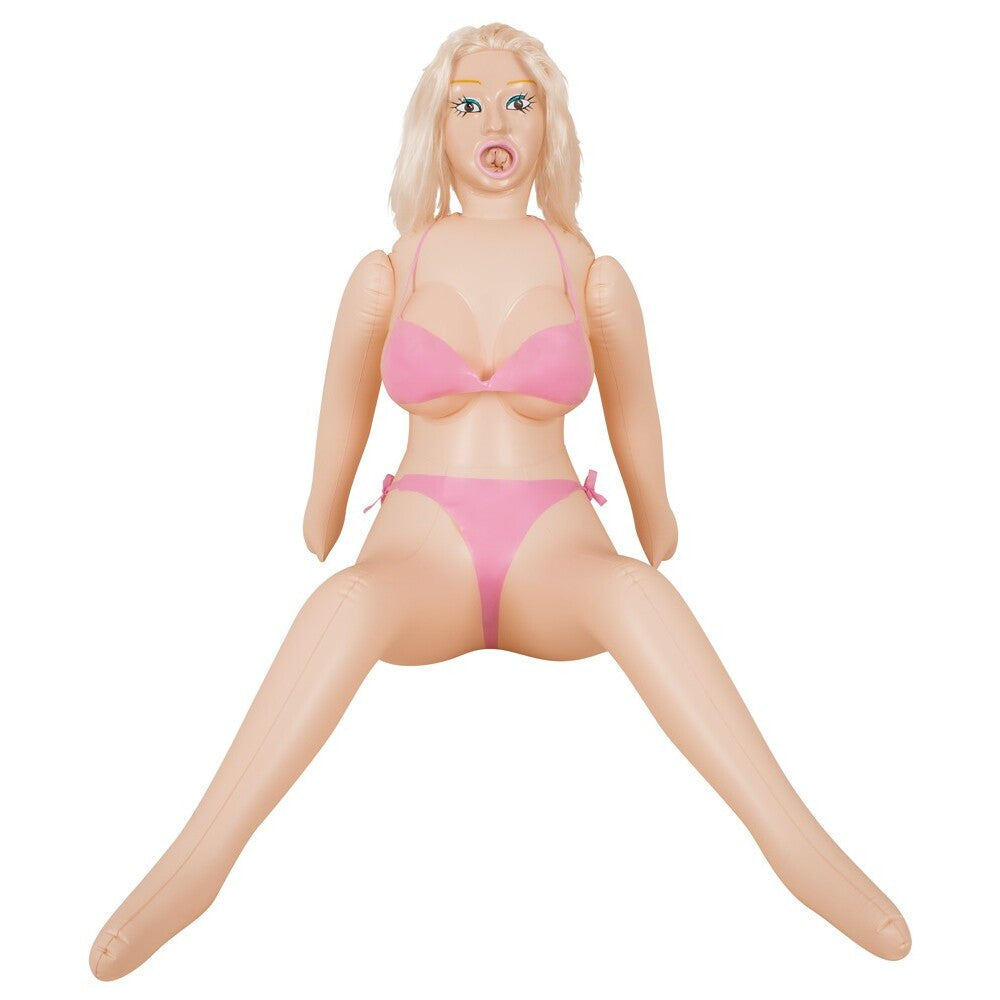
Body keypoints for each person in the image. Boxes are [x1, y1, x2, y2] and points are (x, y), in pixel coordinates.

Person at [89, 22, 910, 981]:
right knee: (344, 602)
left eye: (518, 102)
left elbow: (636, 410)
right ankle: (194, 868)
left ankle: (800, 849)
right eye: (468, 104)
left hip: (555, 549)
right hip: (419, 553)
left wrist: (655, 514)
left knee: (639, 594)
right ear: (434, 128)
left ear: (549, 123)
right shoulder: (391, 270)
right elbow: (342, 405)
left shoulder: (585, 270)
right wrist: (323, 506)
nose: (495, 124)